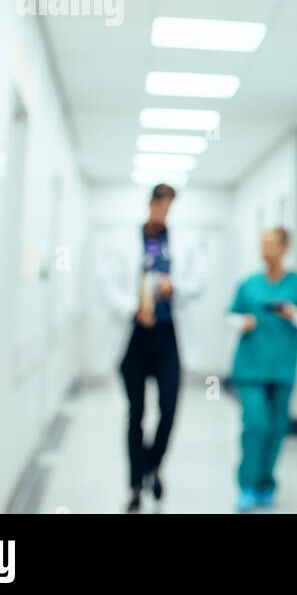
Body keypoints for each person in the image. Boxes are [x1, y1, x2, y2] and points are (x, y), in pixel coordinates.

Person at [115, 183, 203, 513]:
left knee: (168, 408)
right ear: (151, 203)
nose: (163, 213)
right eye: (160, 206)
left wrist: (175, 286)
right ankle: (136, 484)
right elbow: (106, 283)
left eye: (169, 208)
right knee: (136, 413)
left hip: (168, 336)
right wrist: (130, 306)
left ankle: (154, 465)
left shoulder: (182, 241)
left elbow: (199, 282)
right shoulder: (125, 239)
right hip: (135, 336)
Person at [226, 227, 297, 512]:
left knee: (276, 427)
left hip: (283, 368)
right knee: (256, 424)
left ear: (285, 248)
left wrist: (294, 314)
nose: (266, 251)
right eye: (263, 245)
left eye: (272, 245)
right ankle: (247, 485)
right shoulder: (248, 284)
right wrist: (242, 322)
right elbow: (230, 315)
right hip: (249, 368)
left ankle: (265, 484)